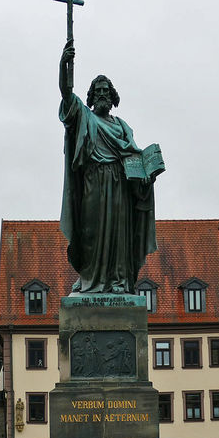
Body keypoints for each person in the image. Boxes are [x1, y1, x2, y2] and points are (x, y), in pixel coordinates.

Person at [58, 40, 157, 294]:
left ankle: (117, 281)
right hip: (94, 183)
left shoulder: (123, 126)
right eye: (98, 91)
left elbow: (134, 158)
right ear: (91, 97)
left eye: (106, 91)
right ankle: (90, 278)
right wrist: (64, 66)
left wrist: (147, 176)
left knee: (117, 238)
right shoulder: (85, 116)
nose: (102, 95)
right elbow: (67, 97)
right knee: (91, 234)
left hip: (120, 187)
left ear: (112, 97)